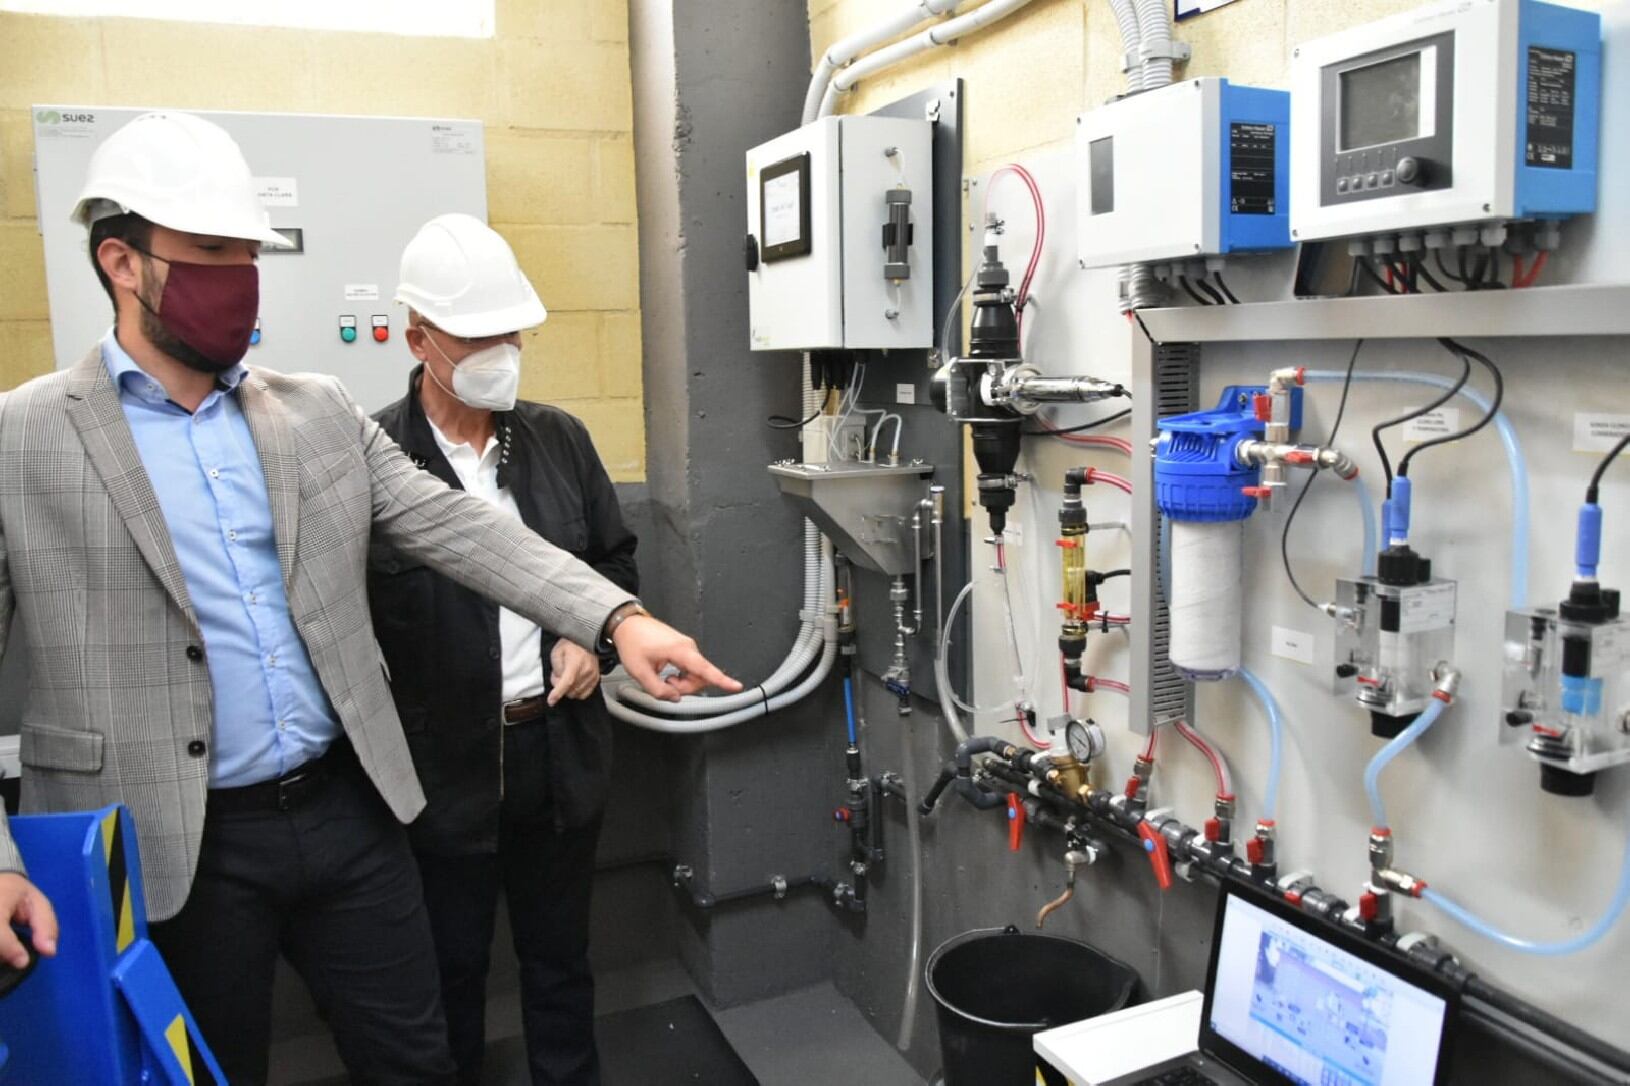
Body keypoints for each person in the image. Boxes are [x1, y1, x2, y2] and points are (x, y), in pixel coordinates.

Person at [0, 111, 738, 1085]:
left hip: (345, 812)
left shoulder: (316, 413)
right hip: (178, 839)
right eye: (211, 253)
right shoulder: (23, 438)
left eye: (248, 253)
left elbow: (460, 527)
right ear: (122, 263)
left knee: (416, 1060)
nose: (240, 276)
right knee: (214, 1066)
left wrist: (613, 618)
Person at [369, 213, 630, 1085]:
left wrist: (591, 638)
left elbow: (613, 562)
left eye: (512, 333)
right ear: (419, 340)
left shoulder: (559, 440)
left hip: (555, 753)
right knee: (448, 976)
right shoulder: (374, 458)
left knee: (561, 965)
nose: (503, 353)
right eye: (478, 337)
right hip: (440, 771)